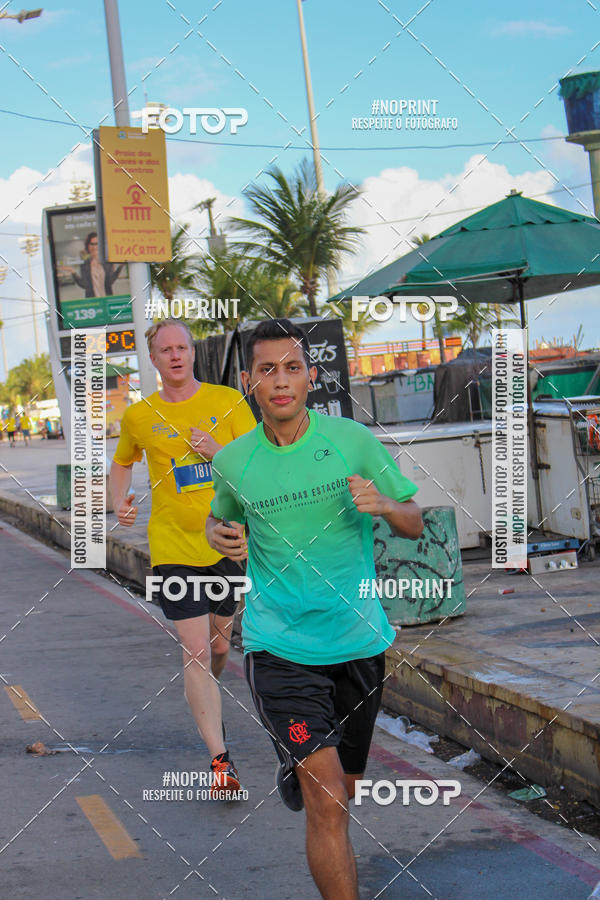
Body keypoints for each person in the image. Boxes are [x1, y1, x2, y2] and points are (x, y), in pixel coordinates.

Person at [206, 318, 423, 900]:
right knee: (327, 800)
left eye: (293, 368)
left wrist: (382, 504)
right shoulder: (234, 461)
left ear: (311, 377)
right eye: (268, 370)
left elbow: (414, 520)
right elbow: (220, 518)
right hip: (280, 648)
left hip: (357, 643)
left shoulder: (352, 441)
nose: (281, 381)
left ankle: (298, 765)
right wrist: (218, 536)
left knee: (344, 789)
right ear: (251, 381)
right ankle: (305, 767)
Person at [109, 317, 255, 796]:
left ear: (193, 353)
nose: (175, 355)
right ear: (152, 360)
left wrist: (218, 452)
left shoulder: (227, 401)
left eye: (182, 348)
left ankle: (207, 693)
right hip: (172, 545)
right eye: (165, 349)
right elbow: (122, 464)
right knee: (194, 649)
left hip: (227, 540)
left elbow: (258, 463)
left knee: (217, 647)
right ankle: (220, 760)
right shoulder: (138, 416)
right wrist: (119, 501)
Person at [62, 232, 124, 298]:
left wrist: (120, 266)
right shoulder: (85, 264)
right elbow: (84, 285)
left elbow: (110, 281)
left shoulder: (106, 262)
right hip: (92, 301)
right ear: (87, 246)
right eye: (92, 244)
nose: (94, 247)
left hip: (106, 299)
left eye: (97, 244)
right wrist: (73, 272)